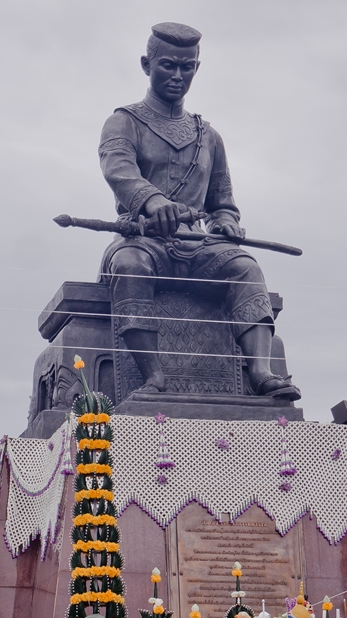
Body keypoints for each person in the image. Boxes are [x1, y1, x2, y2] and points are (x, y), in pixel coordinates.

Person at [99, 22, 299, 399]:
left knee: (245, 267)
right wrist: (153, 201)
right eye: (168, 66)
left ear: (196, 68)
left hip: (199, 250)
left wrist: (225, 222)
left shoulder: (208, 136)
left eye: (186, 67)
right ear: (147, 64)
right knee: (128, 266)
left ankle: (260, 372)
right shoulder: (124, 121)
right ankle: (153, 375)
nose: (178, 75)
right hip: (144, 243)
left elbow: (222, 202)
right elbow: (118, 169)